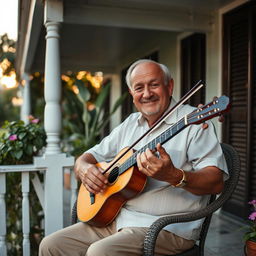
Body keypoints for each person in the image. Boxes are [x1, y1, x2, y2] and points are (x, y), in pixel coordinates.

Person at [39, 59, 228, 256]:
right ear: (132, 94)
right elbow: (89, 156)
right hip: (116, 219)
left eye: (154, 84)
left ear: (169, 86)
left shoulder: (194, 124)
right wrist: (84, 168)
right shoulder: (130, 124)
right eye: (139, 88)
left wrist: (173, 175)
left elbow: (215, 183)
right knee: (51, 245)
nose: (147, 94)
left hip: (165, 228)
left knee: (100, 252)